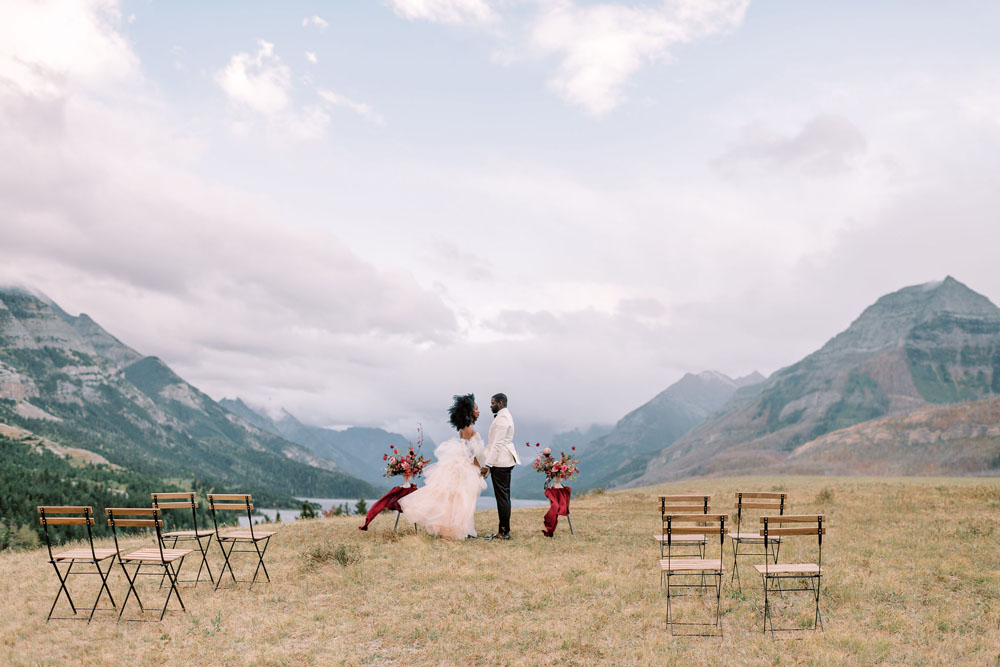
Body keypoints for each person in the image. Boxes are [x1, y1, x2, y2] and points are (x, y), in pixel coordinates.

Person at [399, 394, 487, 540]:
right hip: (466, 467)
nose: (478, 411)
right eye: (476, 409)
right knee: (464, 499)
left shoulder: (468, 427)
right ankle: (464, 529)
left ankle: (465, 528)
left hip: (466, 465)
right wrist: (479, 468)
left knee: (465, 499)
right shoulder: (467, 428)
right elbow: (470, 452)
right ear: (469, 411)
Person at [481, 392, 520, 540]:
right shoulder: (503, 416)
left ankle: (503, 532)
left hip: (501, 462)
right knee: (504, 498)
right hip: (503, 461)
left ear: (500, 403)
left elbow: (497, 443)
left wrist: (487, 465)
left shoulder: (503, 418)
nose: (491, 406)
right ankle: (504, 530)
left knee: (502, 498)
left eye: (492, 403)